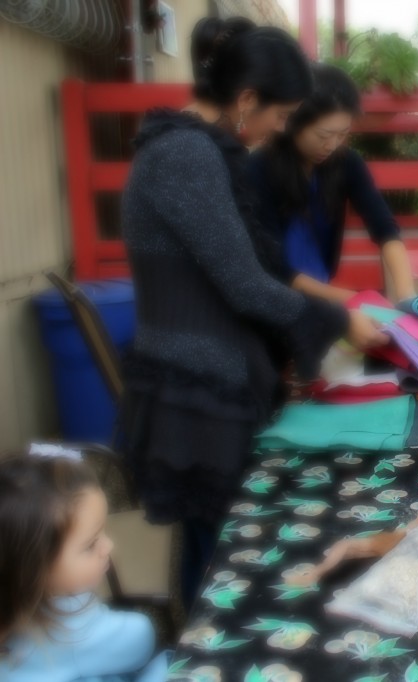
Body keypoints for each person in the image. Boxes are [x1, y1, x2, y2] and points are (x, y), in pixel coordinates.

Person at [119, 17, 387, 607]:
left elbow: (257, 269)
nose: (281, 127)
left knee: (218, 543)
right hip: (197, 391)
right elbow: (245, 283)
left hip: (206, 381)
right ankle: (204, 656)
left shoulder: (199, 151)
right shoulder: (185, 156)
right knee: (221, 552)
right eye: (280, 113)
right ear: (246, 100)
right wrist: (338, 323)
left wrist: (328, 317)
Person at [248, 63, 416, 304]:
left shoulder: (347, 162)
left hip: (323, 294)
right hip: (272, 297)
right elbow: (274, 266)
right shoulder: (259, 168)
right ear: (292, 124)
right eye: (323, 136)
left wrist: (407, 296)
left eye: (342, 134)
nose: (333, 145)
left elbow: (385, 228)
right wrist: (353, 301)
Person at [0, 451, 169, 681]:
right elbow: (140, 641)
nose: (108, 546)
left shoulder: (14, 600)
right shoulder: (68, 630)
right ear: (33, 571)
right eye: (90, 544)